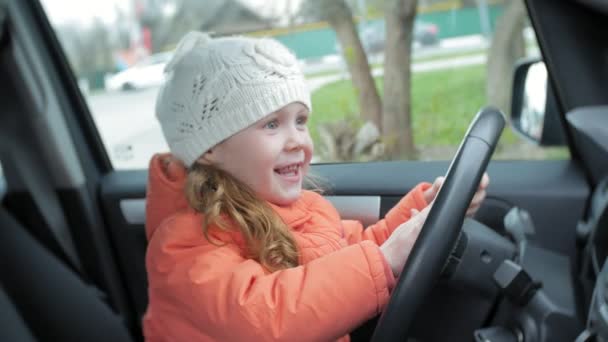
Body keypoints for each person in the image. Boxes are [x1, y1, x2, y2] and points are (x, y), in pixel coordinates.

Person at [143, 31, 489, 342]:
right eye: (272, 124)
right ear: (211, 147)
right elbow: (266, 321)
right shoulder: (185, 243)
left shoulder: (304, 208)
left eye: (301, 121)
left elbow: (353, 255)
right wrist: (385, 259)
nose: (297, 141)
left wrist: (423, 212)